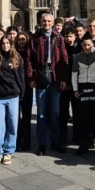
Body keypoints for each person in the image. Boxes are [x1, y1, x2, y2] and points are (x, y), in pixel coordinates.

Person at [30, 13, 68, 155]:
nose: (46, 23)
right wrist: (31, 78)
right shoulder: (35, 37)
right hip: (40, 77)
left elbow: (64, 59)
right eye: (44, 21)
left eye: (49, 21)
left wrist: (64, 79)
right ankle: (41, 143)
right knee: (41, 113)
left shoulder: (58, 38)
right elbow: (29, 58)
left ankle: (55, 141)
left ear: (53, 23)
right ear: (40, 22)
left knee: (55, 112)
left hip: (55, 77)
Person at [0, 35, 24, 166]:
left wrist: (21, 94)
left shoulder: (16, 58)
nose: (5, 46)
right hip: (0, 97)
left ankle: (8, 151)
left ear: (11, 44)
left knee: (13, 124)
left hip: (13, 96)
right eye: (3, 43)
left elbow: (20, 77)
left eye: (8, 43)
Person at [72, 35, 95, 156]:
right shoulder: (77, 57)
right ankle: (84, 144)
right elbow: (74, 74)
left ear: (93, 44)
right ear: (81, 45)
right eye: (84, 45)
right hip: (82, 87)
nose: (87, 47)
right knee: (83, 119)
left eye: (89, 45)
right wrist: (75, 89)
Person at [15, 32, 33, 151]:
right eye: (19, 39)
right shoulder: (13, 53)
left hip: (27, 87)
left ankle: (27, 141)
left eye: (23, 39)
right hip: (15, 88)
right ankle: (16, 140)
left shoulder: (29, 53)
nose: (21, 41)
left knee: (26, 116)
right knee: (15, 116)